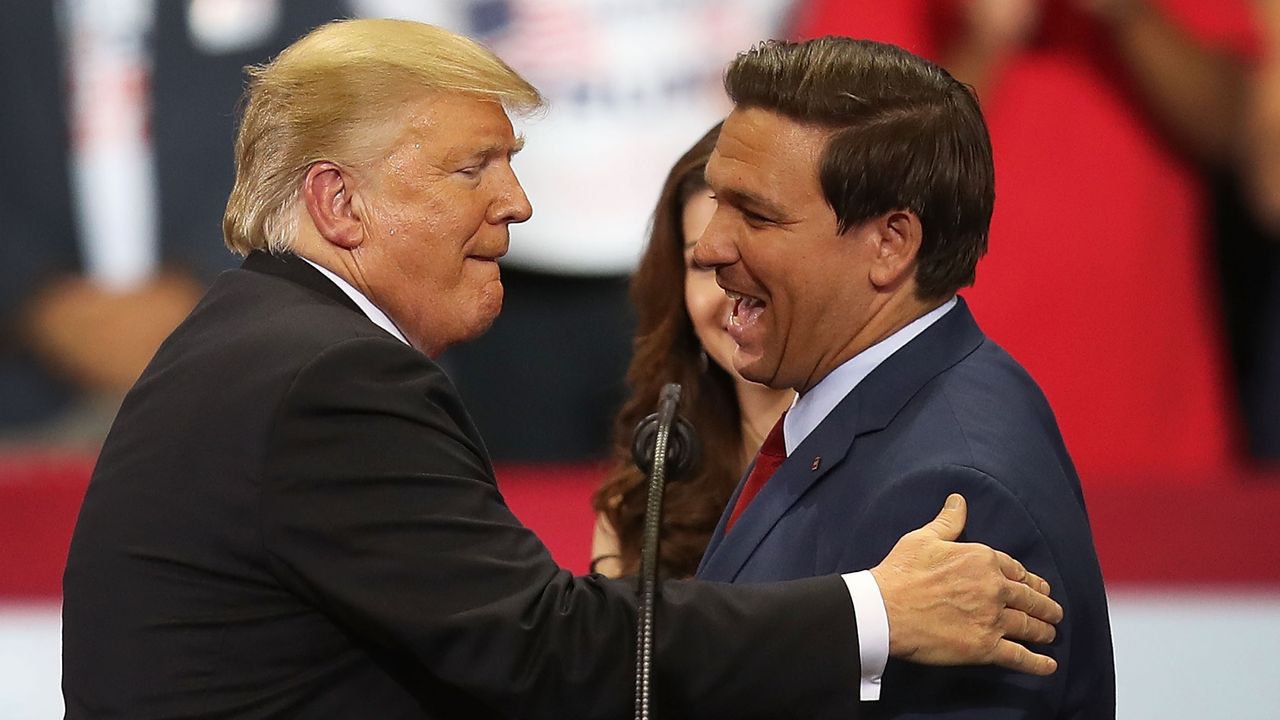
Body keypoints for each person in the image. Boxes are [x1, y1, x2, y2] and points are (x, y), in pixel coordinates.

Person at [60, 19, 1064, 719]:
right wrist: (876, 613)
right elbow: (539, 652)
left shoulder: (253, 337)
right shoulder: (329, 381)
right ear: (338, 203)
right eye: (471, 169)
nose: (517, 205)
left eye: (511, 163)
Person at [692, 37, 1114, 717]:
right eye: (719, 201)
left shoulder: (953, 490)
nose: (709, 246)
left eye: (757, 215)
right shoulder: (882, 402)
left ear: (890, 244)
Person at [591, 122, 793, 579]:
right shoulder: (640, 501)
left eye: (753, 257)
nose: (733, 290)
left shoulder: (880, 461)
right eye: (703, 265)